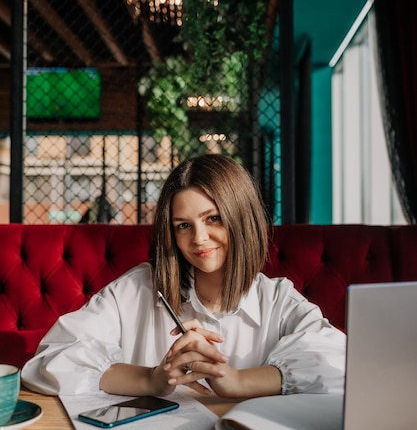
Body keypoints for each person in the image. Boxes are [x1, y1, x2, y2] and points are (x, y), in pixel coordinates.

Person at [22, 154, 346, 399]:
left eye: (214, 218)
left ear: (241, 219)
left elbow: (342, 366)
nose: (199, 238)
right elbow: (49, 361)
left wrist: (236, 382)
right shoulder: (139, 288)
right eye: (183, 225)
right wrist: (153, 379)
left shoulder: (277, 299)